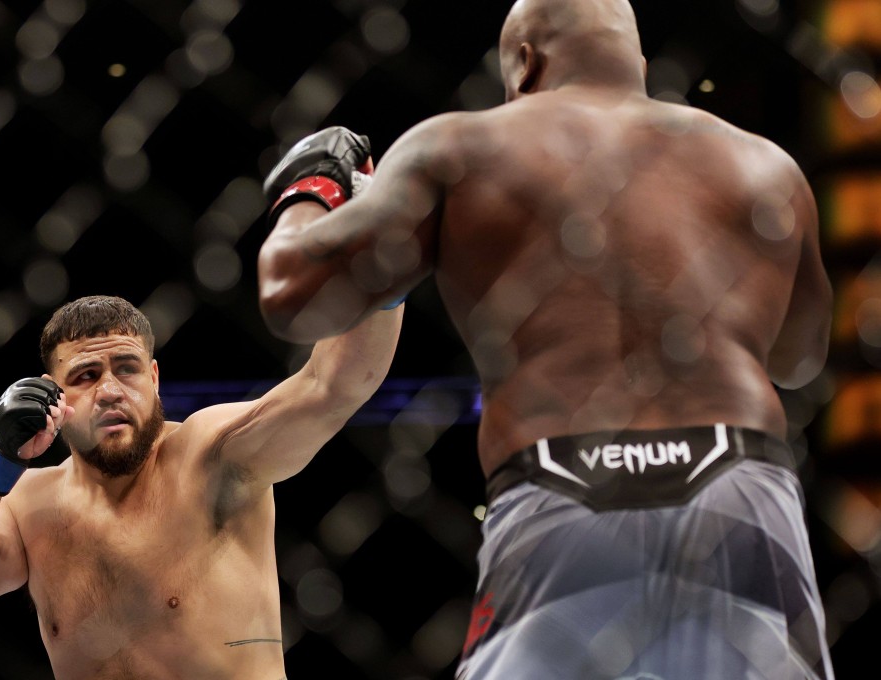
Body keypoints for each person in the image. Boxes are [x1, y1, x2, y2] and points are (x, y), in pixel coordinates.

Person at [256, 0, 834, 677]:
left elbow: (291, 296)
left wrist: (312, 184)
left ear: (524, 63)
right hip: (740, 487)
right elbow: (801, 358)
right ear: (641, 65)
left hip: (564, 483)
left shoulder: (462, 146)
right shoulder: (765, 165)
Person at [0, 294, 402, 679]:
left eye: (127, 368)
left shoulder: (213, 456)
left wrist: (382, 260)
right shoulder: (29, 504)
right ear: (53, 396)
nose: (112, 390)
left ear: (155, 378)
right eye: (86, 375)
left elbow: (333, 383)